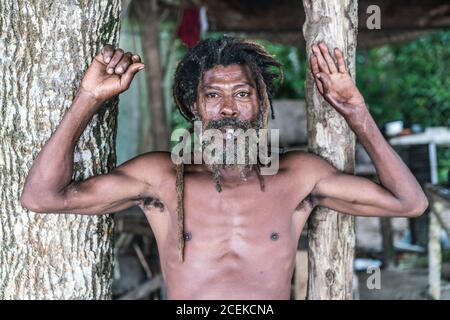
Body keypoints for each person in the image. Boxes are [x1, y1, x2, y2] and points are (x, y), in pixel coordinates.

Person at [20, 36, 428, 299]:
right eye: (213, 95)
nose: (229, 109)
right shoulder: (162, 177)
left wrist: (356, 112)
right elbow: (41, 198)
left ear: (261, 103)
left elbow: (409, 203)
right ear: (194, 106)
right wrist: (89, 98)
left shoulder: (299, 176)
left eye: (242, 94)